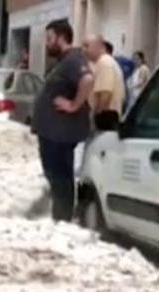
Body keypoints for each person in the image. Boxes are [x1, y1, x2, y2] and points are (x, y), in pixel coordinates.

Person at [31, 20, 94, 223]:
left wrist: (74, 105)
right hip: (53, 133)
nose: (47, 44)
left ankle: (62, 220)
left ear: (61, 37)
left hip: (60, 134)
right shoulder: (63, 60)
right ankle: (60, 217)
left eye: (50, 39)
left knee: (61, 178)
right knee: (56, 177)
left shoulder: (73, 58)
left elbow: (87, 80)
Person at [84, 35, 125, 130]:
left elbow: (105, 93)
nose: (84, 50)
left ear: (99, 47)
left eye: (87, 46)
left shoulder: (104, 63)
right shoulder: (107, 62)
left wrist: (95, 115)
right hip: (108, 115)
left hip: (106, 117)